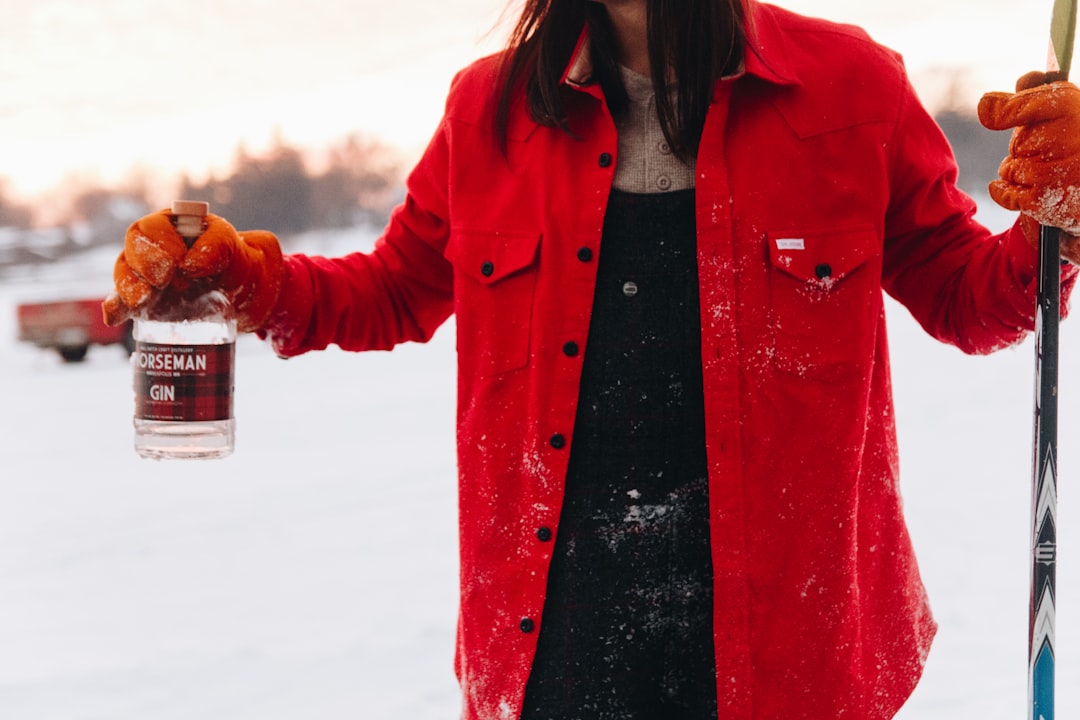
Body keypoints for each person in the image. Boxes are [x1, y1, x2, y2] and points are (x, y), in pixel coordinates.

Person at [103, 1, 1080, 718]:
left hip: (790, 651)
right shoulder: (489, 111)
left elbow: (970, 297)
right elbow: (394, 288)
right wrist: (248, 282)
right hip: (554, 646)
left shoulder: (848, 85)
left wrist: (1060, 224)